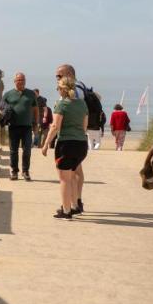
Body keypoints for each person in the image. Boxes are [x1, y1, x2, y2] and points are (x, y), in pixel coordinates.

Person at [41, 74, 88, 219]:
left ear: (62, 89)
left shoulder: (62, 104)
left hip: (66, 145)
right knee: (72, 176)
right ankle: (74, 206)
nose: (57, 90)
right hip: (81, 145)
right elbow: (85, 126)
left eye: (58, 88)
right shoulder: (82, 104)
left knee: (64, 179)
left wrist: (46, 144)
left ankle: (66, 210)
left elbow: (55, 126)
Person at [55, 63, 87, 213]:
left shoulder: (76, 92)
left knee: (71, 176)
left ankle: (72, 205)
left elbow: (68, 117)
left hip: (70, 140)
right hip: (80, 140)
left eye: (59, 76)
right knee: (75, 173)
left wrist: (47, 142)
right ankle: (74, 203)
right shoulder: (80, 89)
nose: (57, 79)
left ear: (69, 75)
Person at [2, 71, 40, 180]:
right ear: (14, 81)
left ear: (25, 81)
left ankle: (25, 171)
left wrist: (36, 124)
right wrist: (4, 115)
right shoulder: (8, 94)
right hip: (13, 126)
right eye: (18, 80)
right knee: (13, 150)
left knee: (27, 149)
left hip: (27, 127)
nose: (21, 82)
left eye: (22, 80)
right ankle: (14, 171)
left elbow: (36, 110)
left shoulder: (31, 94)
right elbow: (0, 106)